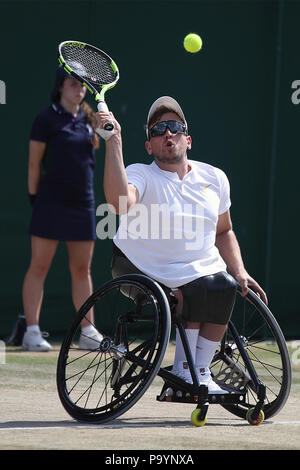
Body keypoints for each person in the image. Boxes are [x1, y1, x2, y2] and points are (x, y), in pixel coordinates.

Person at [96, 96, 267, 393]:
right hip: (140, 268)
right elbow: (118, 202)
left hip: (196, 268)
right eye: (158, 130)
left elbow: (223, 231)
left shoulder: (215, 178)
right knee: (188, 291)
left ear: (187, 139)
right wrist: (114, 141)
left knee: (223, 285)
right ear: (150, 146)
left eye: (174, 127)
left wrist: (239, 270)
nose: (167, 134)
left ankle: (199, 373)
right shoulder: (140, 173)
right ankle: (184, 373)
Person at [21, 66, 103, 351]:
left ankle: (89, 332)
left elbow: (108, 141)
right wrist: (35, 197)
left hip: (83, 204)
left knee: (82, 269)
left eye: (82, 84)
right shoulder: (45, 119)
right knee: (39, 266)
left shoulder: (91, 119)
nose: (79, 88)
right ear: (60, 87)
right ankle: (32, 332)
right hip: (50, 202)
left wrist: (108, 124)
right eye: (72, 82)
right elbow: (34, 163)